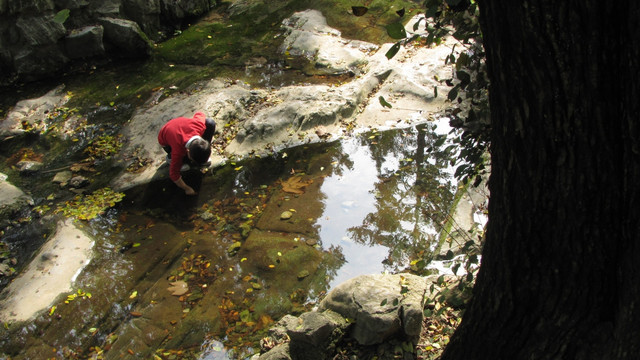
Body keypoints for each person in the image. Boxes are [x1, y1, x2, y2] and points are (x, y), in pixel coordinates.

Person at [158, 111, 215, 195]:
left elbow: (200, 114)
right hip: (166, 140)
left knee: (210, 123)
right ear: (187, 151)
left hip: (181, 128)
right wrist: (187, 188)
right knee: (183, 164)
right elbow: (173, 174)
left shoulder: (199, 125)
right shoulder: (178, 150)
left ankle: (199, 156)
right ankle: (170, 158)